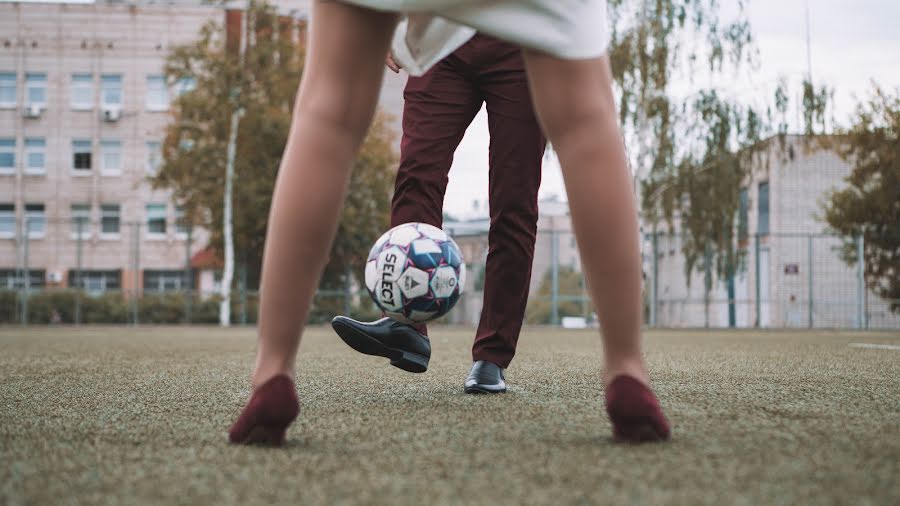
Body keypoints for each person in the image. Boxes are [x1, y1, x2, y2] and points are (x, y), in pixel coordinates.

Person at [229, 0, 671, 446]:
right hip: (444, 43)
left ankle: (277, 372)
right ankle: (623, 370)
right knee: (581, 126)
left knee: (331, 114)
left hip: (515, 50)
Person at [330, 31, 546, 395]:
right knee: (417, 174)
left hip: (522, 42)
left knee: (514, 204)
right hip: (444, 36)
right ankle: (407, 328)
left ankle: (492, 356)